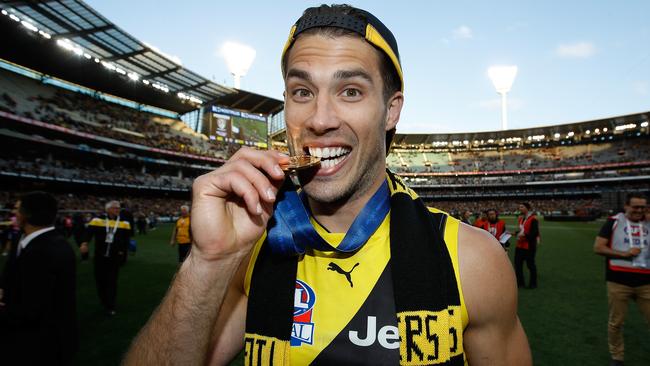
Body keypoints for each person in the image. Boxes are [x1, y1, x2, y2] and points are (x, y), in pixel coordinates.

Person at [124, 5, 531, 365]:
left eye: (350, 91)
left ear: (390, 111)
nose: (320, 119)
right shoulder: (252, 249)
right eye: (302, 91)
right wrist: (208, 262)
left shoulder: (472, 261)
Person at [0, 192, 77, 365]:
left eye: (17, 209)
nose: (14, 213)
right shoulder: (29, 239)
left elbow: (32, 309)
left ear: (26, 215)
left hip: (38, 345)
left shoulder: (44, 252)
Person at [593, 193, 649, 366]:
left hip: (646, 282)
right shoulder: (614, 221)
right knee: (616, 322)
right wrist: (624, 254)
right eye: (635, 206)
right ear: (626, 206)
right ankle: (617, 356)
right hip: (618, 281)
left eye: (643, 207)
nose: (639, 210)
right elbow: (598, 247)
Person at [80, 200, 131, 316]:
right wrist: (84, 243)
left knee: (112, 281)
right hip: (100, 256)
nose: (117, 210)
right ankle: (104, 301)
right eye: (114, 208)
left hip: (115, 257)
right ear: (107, 209)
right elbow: (88, 233)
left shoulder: (124, 222)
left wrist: (123, 253)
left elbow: (126, 240)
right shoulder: (97, 220)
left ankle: (111, 305)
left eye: (118, 208)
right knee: (100, 280)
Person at [515, 202, 539, 289]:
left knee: (530, 265)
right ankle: (520, 283)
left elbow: (535, 233)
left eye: (522, 207)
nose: (520, 208)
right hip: (519, 246)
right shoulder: (521, 219)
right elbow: (522, 231)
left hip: (529, 246)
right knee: (518, 265)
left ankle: (533, 284)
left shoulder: (533, 219)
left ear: (527, 208)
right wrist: (515, 233)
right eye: (519, 207)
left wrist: (524, 236)